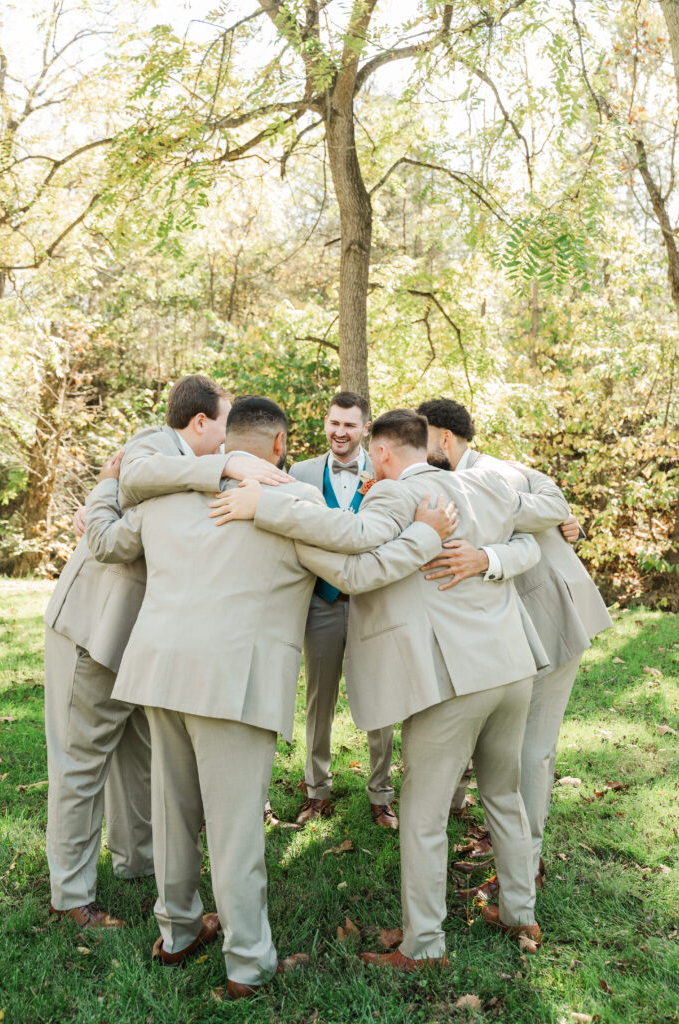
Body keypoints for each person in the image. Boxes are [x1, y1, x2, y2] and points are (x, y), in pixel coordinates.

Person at [83, 397, 454, 998]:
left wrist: (105, 483)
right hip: (235, 680)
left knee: (173, 812)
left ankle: (177, 932)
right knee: (234, 832)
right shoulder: (294, 505)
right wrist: (425, 535)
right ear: (281, 447)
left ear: (229, 442)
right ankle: (248, 964)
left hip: (156, 670)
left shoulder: (166, 498)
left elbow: (104, 539)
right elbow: (359, 573)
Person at [210, 409, 574, 963]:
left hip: (453, 680)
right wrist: (489, 560)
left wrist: (268, 509)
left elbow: (355, 541)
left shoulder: (394, 495)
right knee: (504, 795)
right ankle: (520, 914)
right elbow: (531, 542)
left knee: (423, 815)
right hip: (512, 667)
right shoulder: (483, 487)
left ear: (380, 452)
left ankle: (423, 944)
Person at [43, 374, 285, 928]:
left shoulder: (194, 475)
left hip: (143, 644)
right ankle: (70, 895)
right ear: (199, 423)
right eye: (225, 430)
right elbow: (131, 474)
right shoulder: (156, 444)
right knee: (81, 763)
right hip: (93, 627)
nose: (231, 445)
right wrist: (223, 467)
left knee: (137, 756)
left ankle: (138, 862)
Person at [416, 397, 612, 888]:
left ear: (444, 438)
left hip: (551, 614)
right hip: (508, 628)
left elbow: (555, 505)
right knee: (503, 739)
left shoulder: (497, 475)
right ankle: (503, 842)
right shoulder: (445, 479)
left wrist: (490, 528)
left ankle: (526, 865)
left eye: (422, 438)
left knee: (532, 748)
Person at [288, 392, 396, 828]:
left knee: (382, 698)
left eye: (350, 425)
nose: (339, 432)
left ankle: (381, 792)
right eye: (334, 422)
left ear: (366, 429)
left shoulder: (386, 472)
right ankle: (316, 789)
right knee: (319, 698)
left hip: (373, 603)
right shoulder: (301, 473)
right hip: (321, 603)